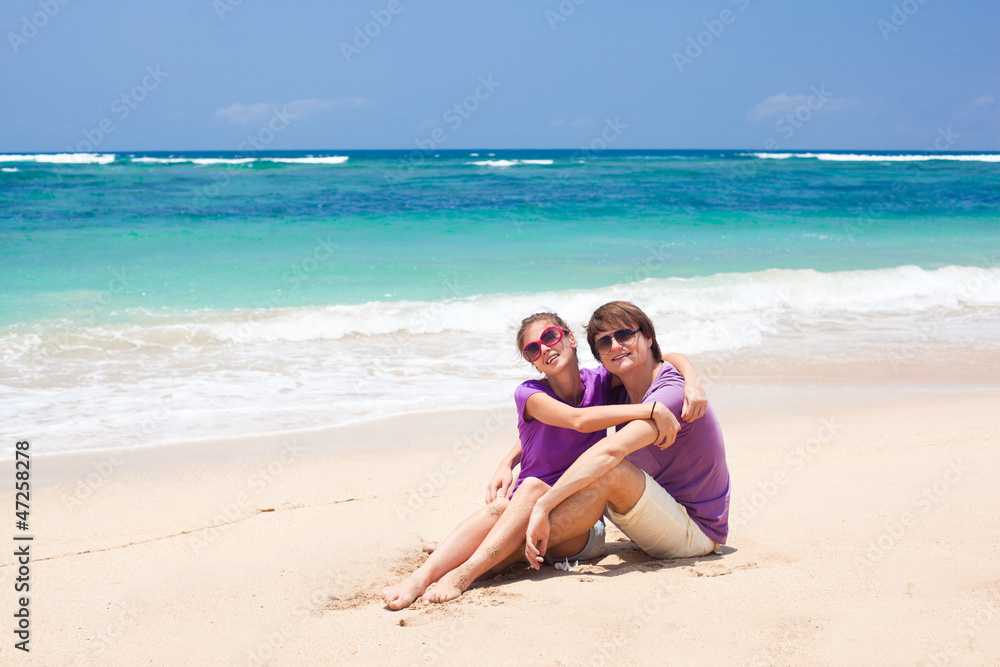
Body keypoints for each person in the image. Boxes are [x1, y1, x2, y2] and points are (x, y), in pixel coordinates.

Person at [381, 312, 706, 610]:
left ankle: (463, 571)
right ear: (533, 364)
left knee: (529, 492)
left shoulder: (602, 382)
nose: (545, 349)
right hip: (523, 512)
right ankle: (421, 577)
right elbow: (574, 420)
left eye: (550, 337)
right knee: (501, 507)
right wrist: (648, 410)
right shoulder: (529, 393)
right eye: (532, 350)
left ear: (570, 338)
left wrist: (691, 379)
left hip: (581, 525)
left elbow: (662, 358)